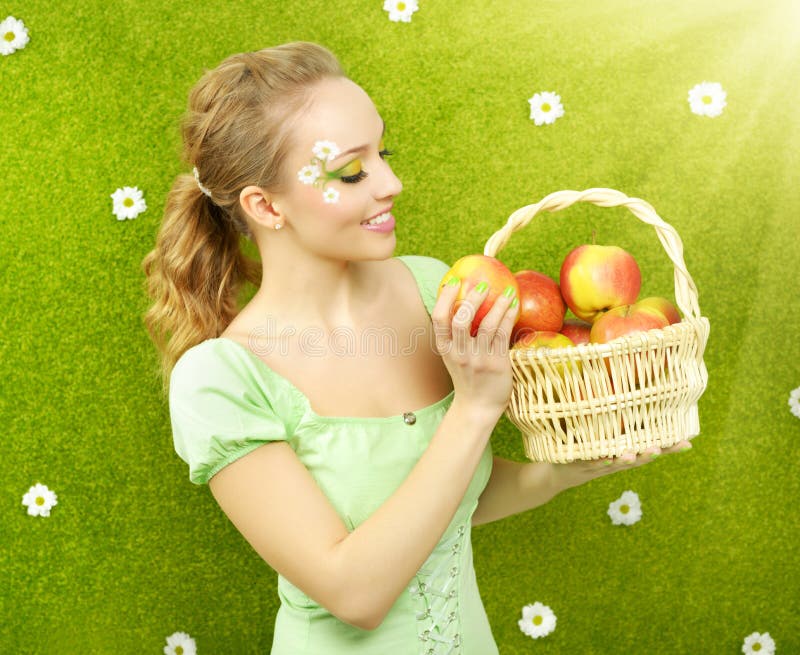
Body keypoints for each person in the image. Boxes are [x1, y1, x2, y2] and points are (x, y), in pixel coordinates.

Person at [141, 41, 692, 654]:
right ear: (266, 205)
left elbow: (448, 505)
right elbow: (355, 593)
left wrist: (568, 471)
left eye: (384, 152)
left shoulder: (434, 291)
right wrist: (476, 407)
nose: (391, 183)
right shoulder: (221, 381)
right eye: (352, 170)